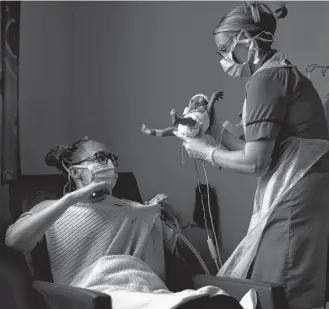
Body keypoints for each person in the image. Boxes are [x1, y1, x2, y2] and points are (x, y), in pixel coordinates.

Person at [173, 2, 329, 309]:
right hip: (306, 193)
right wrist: (214, 133)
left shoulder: (265, 80)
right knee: (290, 282)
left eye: (223, 50)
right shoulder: (283, 74)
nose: (222, 59)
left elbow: (256, 162)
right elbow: (268, 150)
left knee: (284, 287)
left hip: (295, 198)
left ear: (244, 38)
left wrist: (205, 152)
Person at [5, 137, 244, 309]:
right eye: (100, 158)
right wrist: (71, 199)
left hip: (145, 289)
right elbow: (15, 241)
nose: (109, 164)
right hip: (94, 294)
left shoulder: (135, 211)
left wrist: (175, 217)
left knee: (210, 299)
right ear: (76, 173)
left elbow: (189, 251)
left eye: (111, 158)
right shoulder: (51, 212)